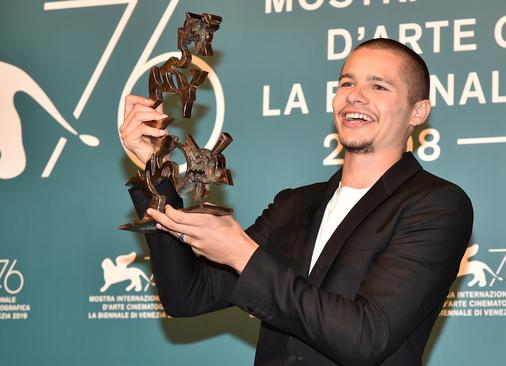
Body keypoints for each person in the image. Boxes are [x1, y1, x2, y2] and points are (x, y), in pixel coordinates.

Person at [120, 38, 473, 366]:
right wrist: (155, 171)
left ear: (418, 111)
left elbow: (365, 338)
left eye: (378, 86)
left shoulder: (436, 204)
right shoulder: (293, 204)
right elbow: (189, 294)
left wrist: (244, 255)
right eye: (346, 83)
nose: (355, 96)